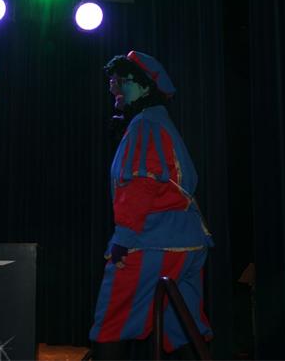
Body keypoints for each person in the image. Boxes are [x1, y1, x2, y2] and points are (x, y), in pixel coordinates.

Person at [89, 51, 213, 360]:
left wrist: (123, 239)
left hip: (153, 242)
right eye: (112, 82)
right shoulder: (160, 123)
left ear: (145, 86)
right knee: (182, 326)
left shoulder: (145, 124)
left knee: (113, 322)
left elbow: (140, 183)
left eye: (121, 81)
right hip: (188, 243)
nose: (114, 88)